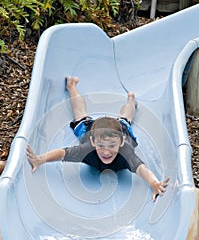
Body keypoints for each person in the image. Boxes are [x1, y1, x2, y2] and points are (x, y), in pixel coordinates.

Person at [26, 76, 169, 201]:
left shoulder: (126, 152)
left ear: (121, 142)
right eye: (101, 145)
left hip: (119, 131)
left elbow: (142, 169)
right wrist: (40, 159)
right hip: (94, 130)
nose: (106, 152)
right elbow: (62, 153)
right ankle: (71, 86)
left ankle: (131, 100)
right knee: (80, 114)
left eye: (112, 146)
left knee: (125, 119)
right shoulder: (86, 149)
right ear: (93, 142)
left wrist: (154, 183)